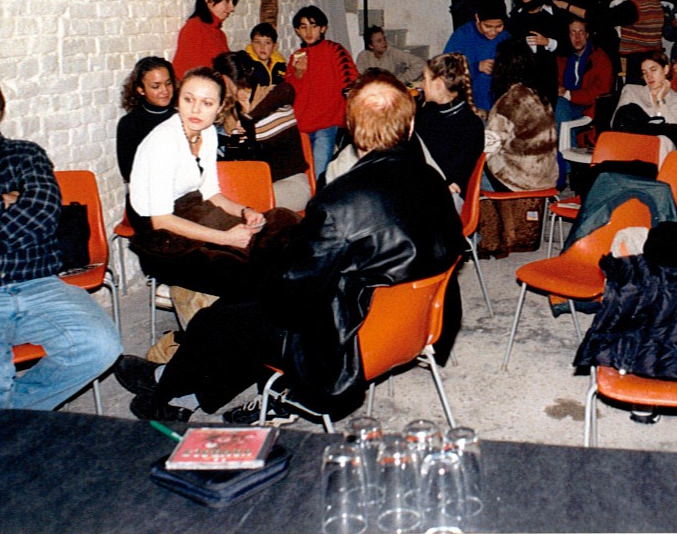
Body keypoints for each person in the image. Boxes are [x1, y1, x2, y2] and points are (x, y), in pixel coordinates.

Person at [115, 72, 465, 422]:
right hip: (411, 326)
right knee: (244, 308)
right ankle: (191, 392)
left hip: (346, 343)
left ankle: (165, 388)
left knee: (224, 318)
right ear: (410, 124)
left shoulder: (339, 202)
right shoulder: (432, 181)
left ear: (352, 128)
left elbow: (291, 299)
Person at [0, 62, 122, 410]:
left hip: (39, 284)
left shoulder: (25, 154)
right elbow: (28, 219)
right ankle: (2, 428)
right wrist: (1, 202)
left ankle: (10, 420)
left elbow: (42, 212)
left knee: (101, 346)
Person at [128, 67, 299, 301]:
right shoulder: (163, 142)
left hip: (194, 210)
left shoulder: (207, 132)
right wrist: (226, 238)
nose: (195, 110)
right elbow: (161, 220)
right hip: (161, 235)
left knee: (283, 221)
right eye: (189, 100)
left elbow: (211, 193)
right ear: (178, 100)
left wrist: (246, 212)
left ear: (219, 108)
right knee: (245, 269)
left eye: (207, 103)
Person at [212, 52, 312, 213]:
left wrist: (249, 119)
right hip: (258, 187)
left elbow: (287, 90)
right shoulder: (231, 115)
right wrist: (236, 141)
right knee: (228, 204)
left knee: (245, 203)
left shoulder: (272, 96)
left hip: (292, 185)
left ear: (224, 79)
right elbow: (241, 162)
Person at [286, 5, 360, 179]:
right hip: (302, 125)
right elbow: (289, 92)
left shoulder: (335, 50)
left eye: (313, 26)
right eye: (303, 27)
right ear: (297, 31)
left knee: (319, 172)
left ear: (323, 28)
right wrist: (298, 74)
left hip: (326, 123)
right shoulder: (296, 57)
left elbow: (350, 81)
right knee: (305, 175)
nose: (309, 32)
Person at [484, 39, 559, 192]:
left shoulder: (507, 102)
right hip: (547, 177)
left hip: (520, 182)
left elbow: (489, 148)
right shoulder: (538, 96)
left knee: (471, 168)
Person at [415, 53, 484, 197]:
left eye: (424, 79)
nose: (421, 85)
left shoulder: (468, 125)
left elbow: (453, 175)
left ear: (438, 84)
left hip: (448, 194)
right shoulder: (428, 112)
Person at [611, 50, 677, 154]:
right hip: (634, 145)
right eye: (644, 72)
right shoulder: (631, 91)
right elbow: (616, 124)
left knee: (663, 140)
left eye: (653, 70)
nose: (649, 76)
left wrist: (660, 100)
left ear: (665, 69)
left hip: (665, 150)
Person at [116, 56, 176, 184]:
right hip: (147, 189)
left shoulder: (182, 117)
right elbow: (128, 172)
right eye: (156, 86)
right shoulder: (130, 123)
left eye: (168, 83)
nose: (165, 91)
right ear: (141, 90)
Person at [507, 0, 563, 106]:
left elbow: (566, 47)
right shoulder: (516, 15)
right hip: (521, 78)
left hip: (546, 79)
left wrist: (548, 42)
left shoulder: (551, 12)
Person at [444, 0, 511, 112]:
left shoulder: (505, 37)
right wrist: (476, 67)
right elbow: (447, 69)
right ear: (477, 18)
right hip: (469, 104)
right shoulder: (462, 35)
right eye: (488, 26)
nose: (493, 32)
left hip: (498, 104)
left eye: (499, 26)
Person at [172, 0, 239, 80]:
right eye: (227, 1)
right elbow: (188, 73)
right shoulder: (194, 28)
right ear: (209, 0)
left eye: (232, 2)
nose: (232, 8)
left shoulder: (219, 34)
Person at [355, 26, 426, 85]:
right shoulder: (363, 56)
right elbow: (359, 77)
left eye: (384, 39)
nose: (384, 42)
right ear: (371, 46)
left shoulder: (393, 52)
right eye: (379, 41)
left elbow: (419, 63)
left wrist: (401, 80)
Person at [244, 22, 287, 91]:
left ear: (275, 46)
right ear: (252, 45)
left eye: (267, 43)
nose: (262, 47)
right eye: (257, 42)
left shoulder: (280, 66)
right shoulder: (246, 65)